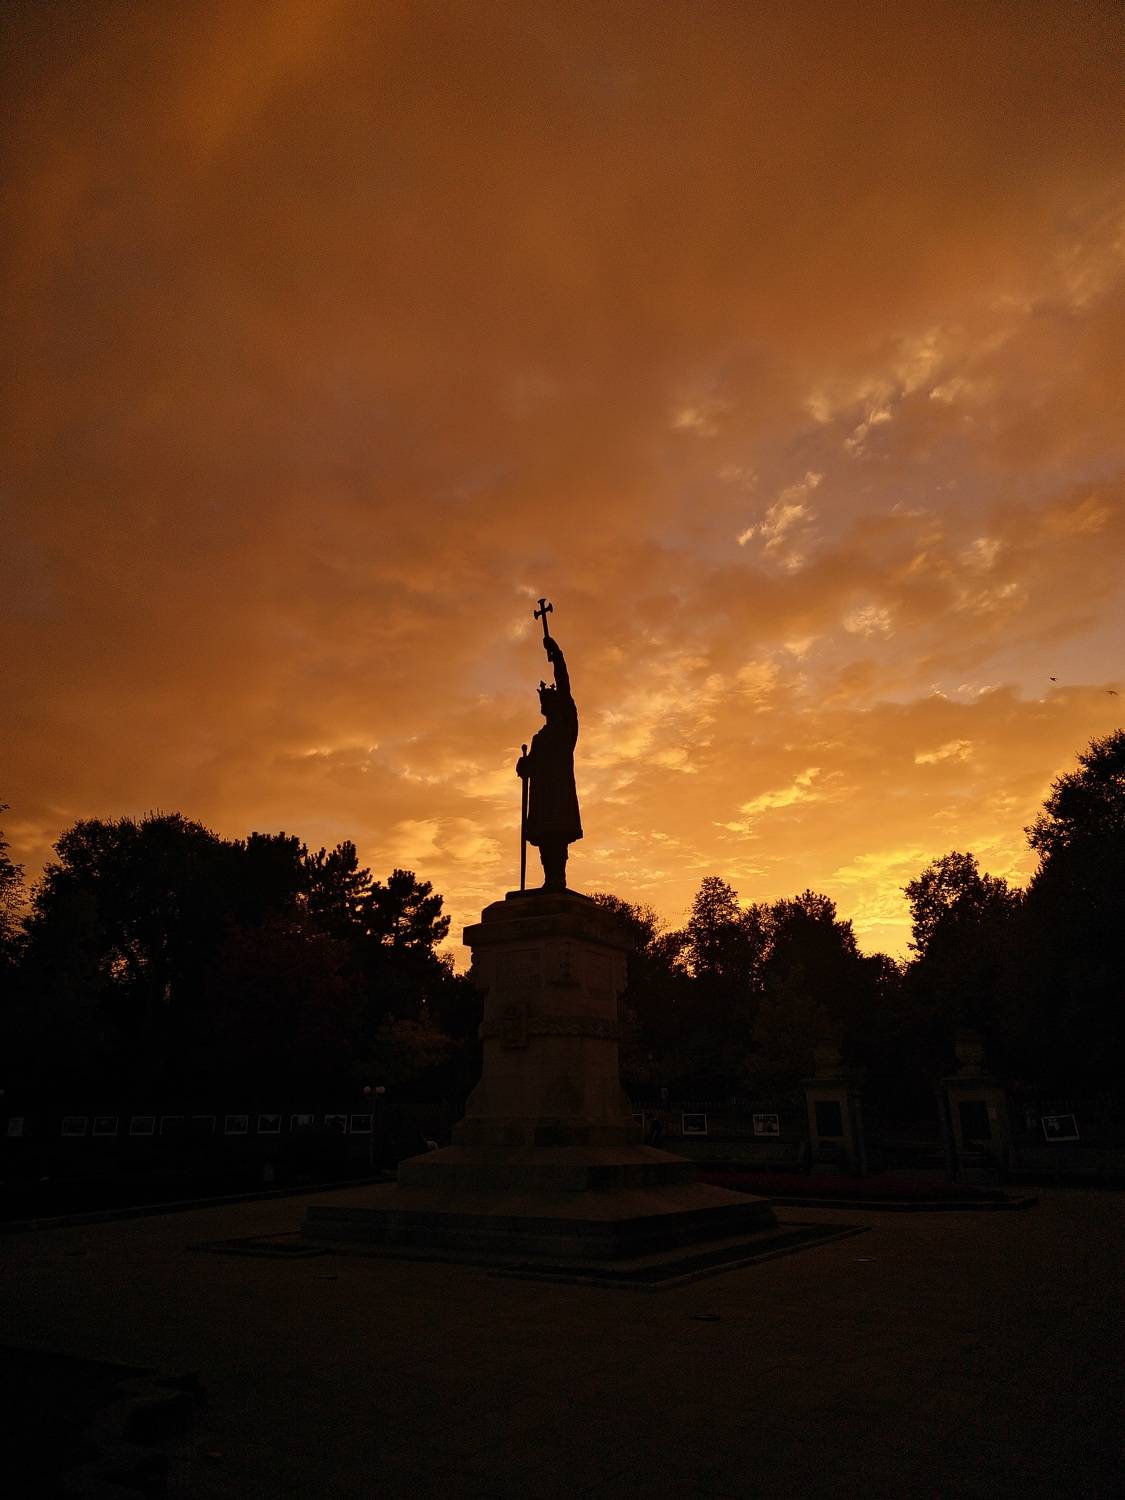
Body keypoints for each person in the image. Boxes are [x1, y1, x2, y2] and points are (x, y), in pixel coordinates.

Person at [517, 633, 582, 891]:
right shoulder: (539, 738)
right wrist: (524, 767)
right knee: (544, 837)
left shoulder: (566, 729)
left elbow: (565, 688)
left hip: (559, 792)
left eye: (549, 702)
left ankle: (558, 878)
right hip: (542, 795)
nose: (545, 706)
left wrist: (557, 657)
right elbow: (531, 766)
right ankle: (549, 879)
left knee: (557, 836)